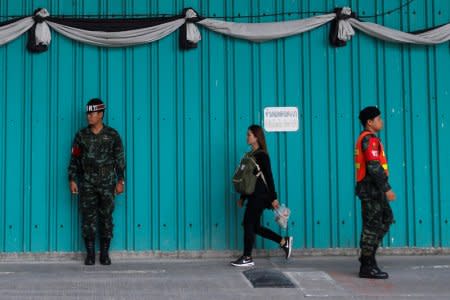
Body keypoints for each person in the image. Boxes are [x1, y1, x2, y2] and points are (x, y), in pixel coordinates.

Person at [68, 98, 125, 265]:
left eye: (92, 113)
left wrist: (121, 180)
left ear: (100, 114)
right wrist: (72, 179)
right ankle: (91, 254)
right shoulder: (81, 136)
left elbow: (120, 160)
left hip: (107, 182)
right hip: (87, 182)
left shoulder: (112, 135)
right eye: (87, 113)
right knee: (88, 218)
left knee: (106, 217)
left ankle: (105, 254)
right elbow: (74, 159)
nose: (89, 116)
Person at [231, 125, 293, 267]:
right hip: (253, 196)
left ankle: (247, 257)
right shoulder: (250, 155)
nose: (247, 137)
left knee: (248, 224)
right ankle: (284, 242)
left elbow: (269, 178)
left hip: (261, 197)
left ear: (256, 137)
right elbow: (248, 181)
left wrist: (274, 197)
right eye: (247, 135)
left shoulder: (262, 156)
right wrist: (242, 198)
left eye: (249, 135)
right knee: (255, 227)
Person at [355, 106, 396, 279]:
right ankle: (367, 264)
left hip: (374, 190)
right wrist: (387, 188)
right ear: (369, 122)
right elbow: (373, 167)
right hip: (371, 191)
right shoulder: (369, 140)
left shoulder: (371, 139)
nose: (382, 121)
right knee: (372, 226)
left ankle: (367, 255)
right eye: (378, 119)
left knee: (386, 219)